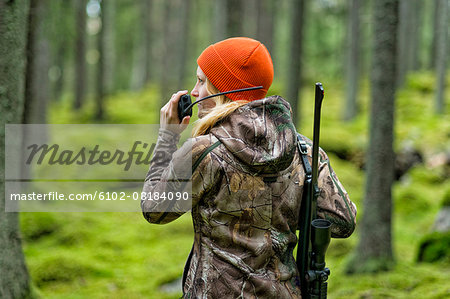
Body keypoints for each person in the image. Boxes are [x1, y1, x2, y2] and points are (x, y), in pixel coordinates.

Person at [142, 37, 357, 298]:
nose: (194, 92)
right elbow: (342, 221)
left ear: (223, 90)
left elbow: (154, 209)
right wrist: (282, 212)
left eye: (201, 81)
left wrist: (167, 137)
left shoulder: (205, 152)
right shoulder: (306, 152)